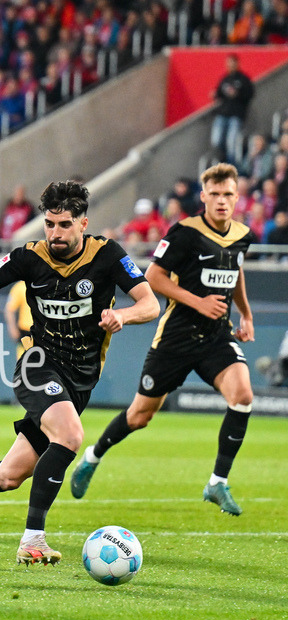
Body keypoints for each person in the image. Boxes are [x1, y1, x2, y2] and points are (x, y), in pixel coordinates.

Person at [0, 181, 159, 565]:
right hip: (38, 365)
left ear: (83, 223)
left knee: (8, 476)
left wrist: (123, 315)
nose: (55, 233)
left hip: (80, 380)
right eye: (49, 224)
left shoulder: (108, 255)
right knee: (70, 436)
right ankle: (32, 539)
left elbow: (150, 303)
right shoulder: (28, 257)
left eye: (64, 224)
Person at [71, 164, 256, 515]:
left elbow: (237, 271)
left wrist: (245, 314)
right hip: (176, 338)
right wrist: (198, 301)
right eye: (214, 194)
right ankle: (93, 456)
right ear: (203, 196)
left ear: (237, 197)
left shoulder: (242, 235)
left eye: (228, 194)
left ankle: (218, 482)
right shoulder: (185, 233)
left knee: (243, 395)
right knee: (141, 415)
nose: (221, 201)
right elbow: (153, 277)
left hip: (216, 337)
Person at [210, 55, 254, 165]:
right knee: (216, 140)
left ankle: (231, 164)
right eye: (228, 63)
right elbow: (219, 92)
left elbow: (250, 94)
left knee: (232, 142)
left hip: (236, 115)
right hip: (223, 113)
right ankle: (222, 157)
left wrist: (237, 94)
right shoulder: (225, 79)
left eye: (232, 63)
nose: (230, 66)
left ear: (237, 64)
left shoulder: (244, 79)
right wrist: (215, 94)